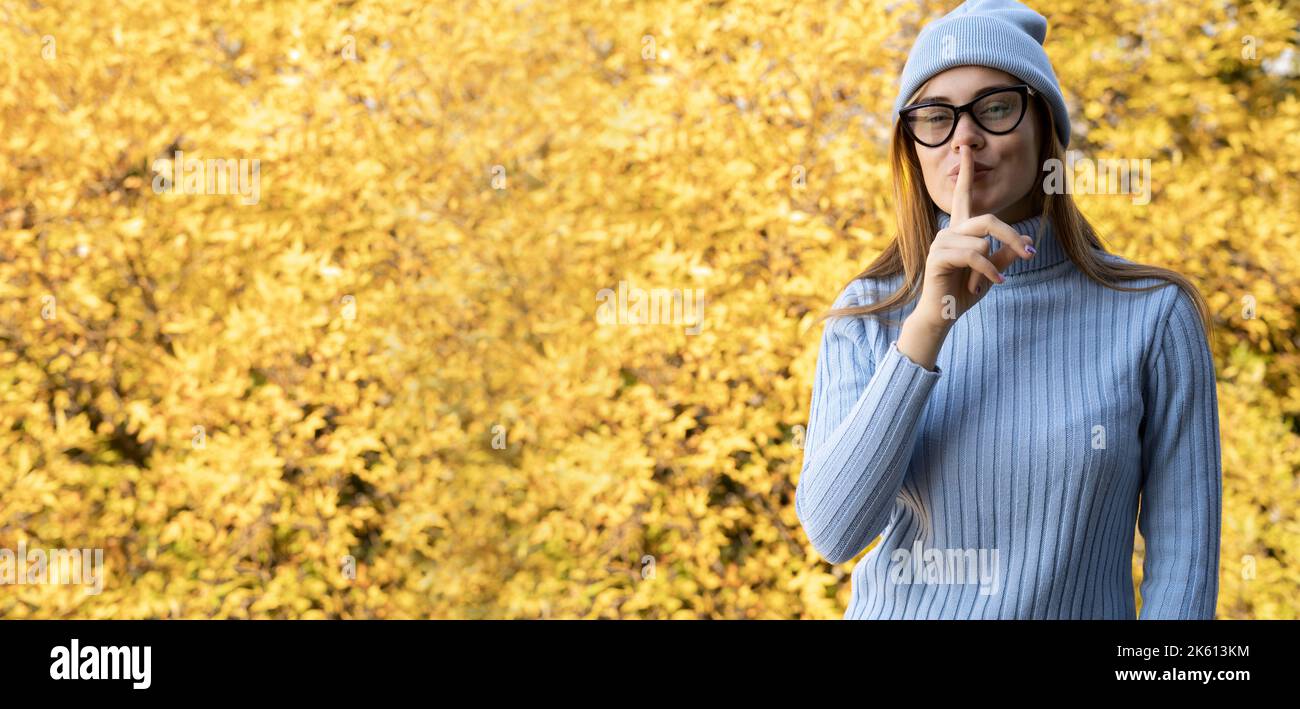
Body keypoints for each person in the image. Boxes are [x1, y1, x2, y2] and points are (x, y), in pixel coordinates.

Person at [794, 0, 1222, 619]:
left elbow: (1184, 566)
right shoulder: (868, 313)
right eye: (935, 117)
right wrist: (930, 321)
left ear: (1044, 130)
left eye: (995, 108)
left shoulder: (1153, 315)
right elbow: (835, 534)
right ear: (912, 148)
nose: (964, 137)